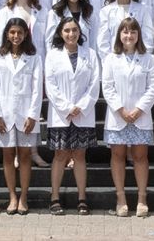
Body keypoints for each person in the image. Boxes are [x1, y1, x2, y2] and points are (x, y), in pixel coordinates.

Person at [101, 18, 154, 217]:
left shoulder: (148, 58)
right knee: (117, 155)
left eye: (133, 32)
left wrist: (139, 109)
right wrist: (121, 110)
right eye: (125, 32)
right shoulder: (111, 58)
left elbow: (153, 87)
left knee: (140, 156)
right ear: (119, 35)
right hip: (118, 117)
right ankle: (121, 198)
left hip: (140, 117)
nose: (129, 36)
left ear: (138, 35)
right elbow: (107, 87)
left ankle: (142, 199)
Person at [42, 16, 99, 215]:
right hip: (61, 114)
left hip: (83, 113)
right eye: (67, 30)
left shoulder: (90, 54)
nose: (71, 34)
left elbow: (94, 84)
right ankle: (54, 197)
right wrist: (67, 107)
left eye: (74, 30)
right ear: (60, 33)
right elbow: (51, 86)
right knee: (60, 155)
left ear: (79, 32)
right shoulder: (52, 55)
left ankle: (82, 198)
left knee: (80, 155)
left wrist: (80, 106)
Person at [0, 18, 44, 216]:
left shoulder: (34, 57)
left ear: (26, 34)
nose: (16, 36)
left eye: (19, 32)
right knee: (7, 155)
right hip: (4, 113)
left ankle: (24, 197)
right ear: (6, 34)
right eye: (12, 32)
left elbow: (37, 89)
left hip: (25, 113)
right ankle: (12, 196)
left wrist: (32, 115)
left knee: (26, 155)